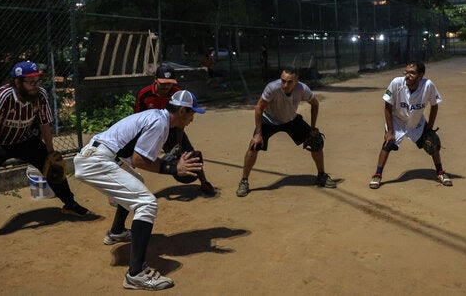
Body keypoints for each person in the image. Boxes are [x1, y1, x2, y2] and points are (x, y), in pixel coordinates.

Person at [0, 61, 90, 253]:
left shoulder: (40, 95)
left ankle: (69, 204)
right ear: (18, 82)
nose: (36, 85)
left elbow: (45, 124)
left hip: (23, 140)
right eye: (31, 82)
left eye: (38, 80)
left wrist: (51, 152)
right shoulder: (2, 96)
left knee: (52, 165)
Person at [73, 90, 205, 291]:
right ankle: (136, 274)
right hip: (97, 161)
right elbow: (139, 160)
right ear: (182, 111)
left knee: (137, 181)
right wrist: (173, 168)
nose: (192, 119)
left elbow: (143, 159)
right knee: (147, 202)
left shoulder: (158, 119)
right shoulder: (160, 123)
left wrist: (171, 163)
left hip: (100, 156)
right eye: (192, 113)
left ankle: (116, 232)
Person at [236, 67, 337, 197]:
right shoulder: (272, 87)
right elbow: (259, 108)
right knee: (254, 145)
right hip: (270, 119)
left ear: (296, 81)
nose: (285, 84)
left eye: (289, 82)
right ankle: (244, 181)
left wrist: (312, 128)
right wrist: (258, 134)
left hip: (290, 119)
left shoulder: (302, 88)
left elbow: (315, 104)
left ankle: (321, 175)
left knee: (316, 141)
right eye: (283, 81)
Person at [134, 64, 216, 197]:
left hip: (174, 129)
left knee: (191, 154)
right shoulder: (144, 94)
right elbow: (137, 118)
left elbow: (181, 121)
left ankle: (204, 182)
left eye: (170, 83)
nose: (167, 86)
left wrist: (178, 144)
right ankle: (124, 192)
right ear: (155, 79)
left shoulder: (177, 93)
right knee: (134, 158)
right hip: (150, 131)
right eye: (163, 83)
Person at [369, 60, 452, 189]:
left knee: (433, 142)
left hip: (416, 121)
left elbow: (434, 105)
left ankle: (440, 172)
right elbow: (387, 106)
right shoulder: (396, 83)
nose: (408, 75)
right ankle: (377, 175)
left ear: (421, 75)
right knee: (387, 144)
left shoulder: (428, 86)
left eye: (412, 73)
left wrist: (429, 127)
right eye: (406, 72)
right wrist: (390, 131)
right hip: (397, 121)